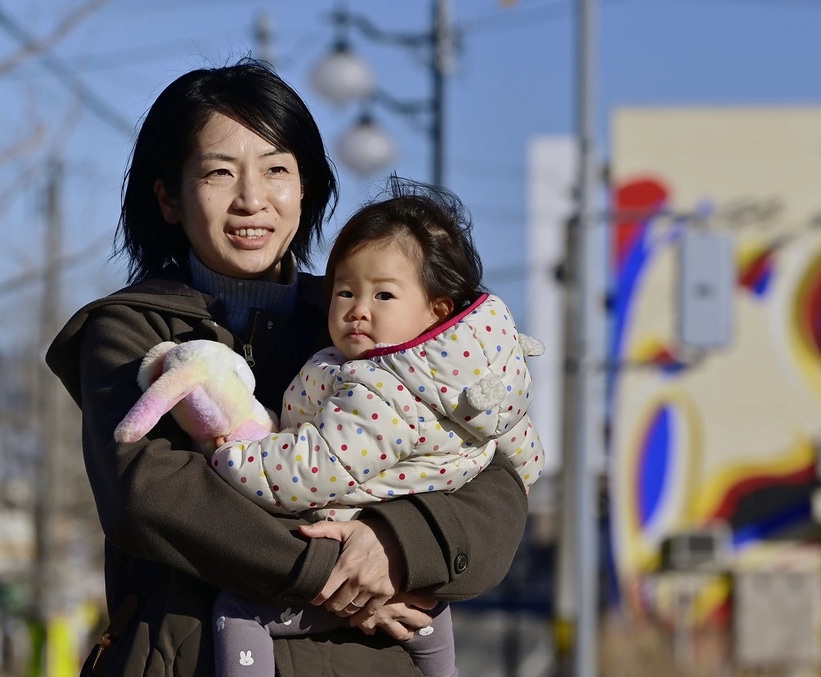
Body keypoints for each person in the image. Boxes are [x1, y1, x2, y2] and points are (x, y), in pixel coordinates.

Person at [45, 59, 530, 676]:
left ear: (306, 189)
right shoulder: (133, 333)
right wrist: (339, 576)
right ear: (167, 196)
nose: (252, 199)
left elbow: (492, 473)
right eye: (220, 172)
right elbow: (152, 496)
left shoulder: (366, 323)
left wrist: (396, 546)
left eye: (276, 169)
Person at [183, 177, 545, 677]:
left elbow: (316, 467)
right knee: (431, 637)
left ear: (437, 309)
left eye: (384, 295)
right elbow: (520, 455)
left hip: (339, 541)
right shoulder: (473, 384)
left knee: (238, 611)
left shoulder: (375, 386)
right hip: (415, 585)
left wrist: (233, 458)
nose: (359, 309)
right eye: (346, 291)